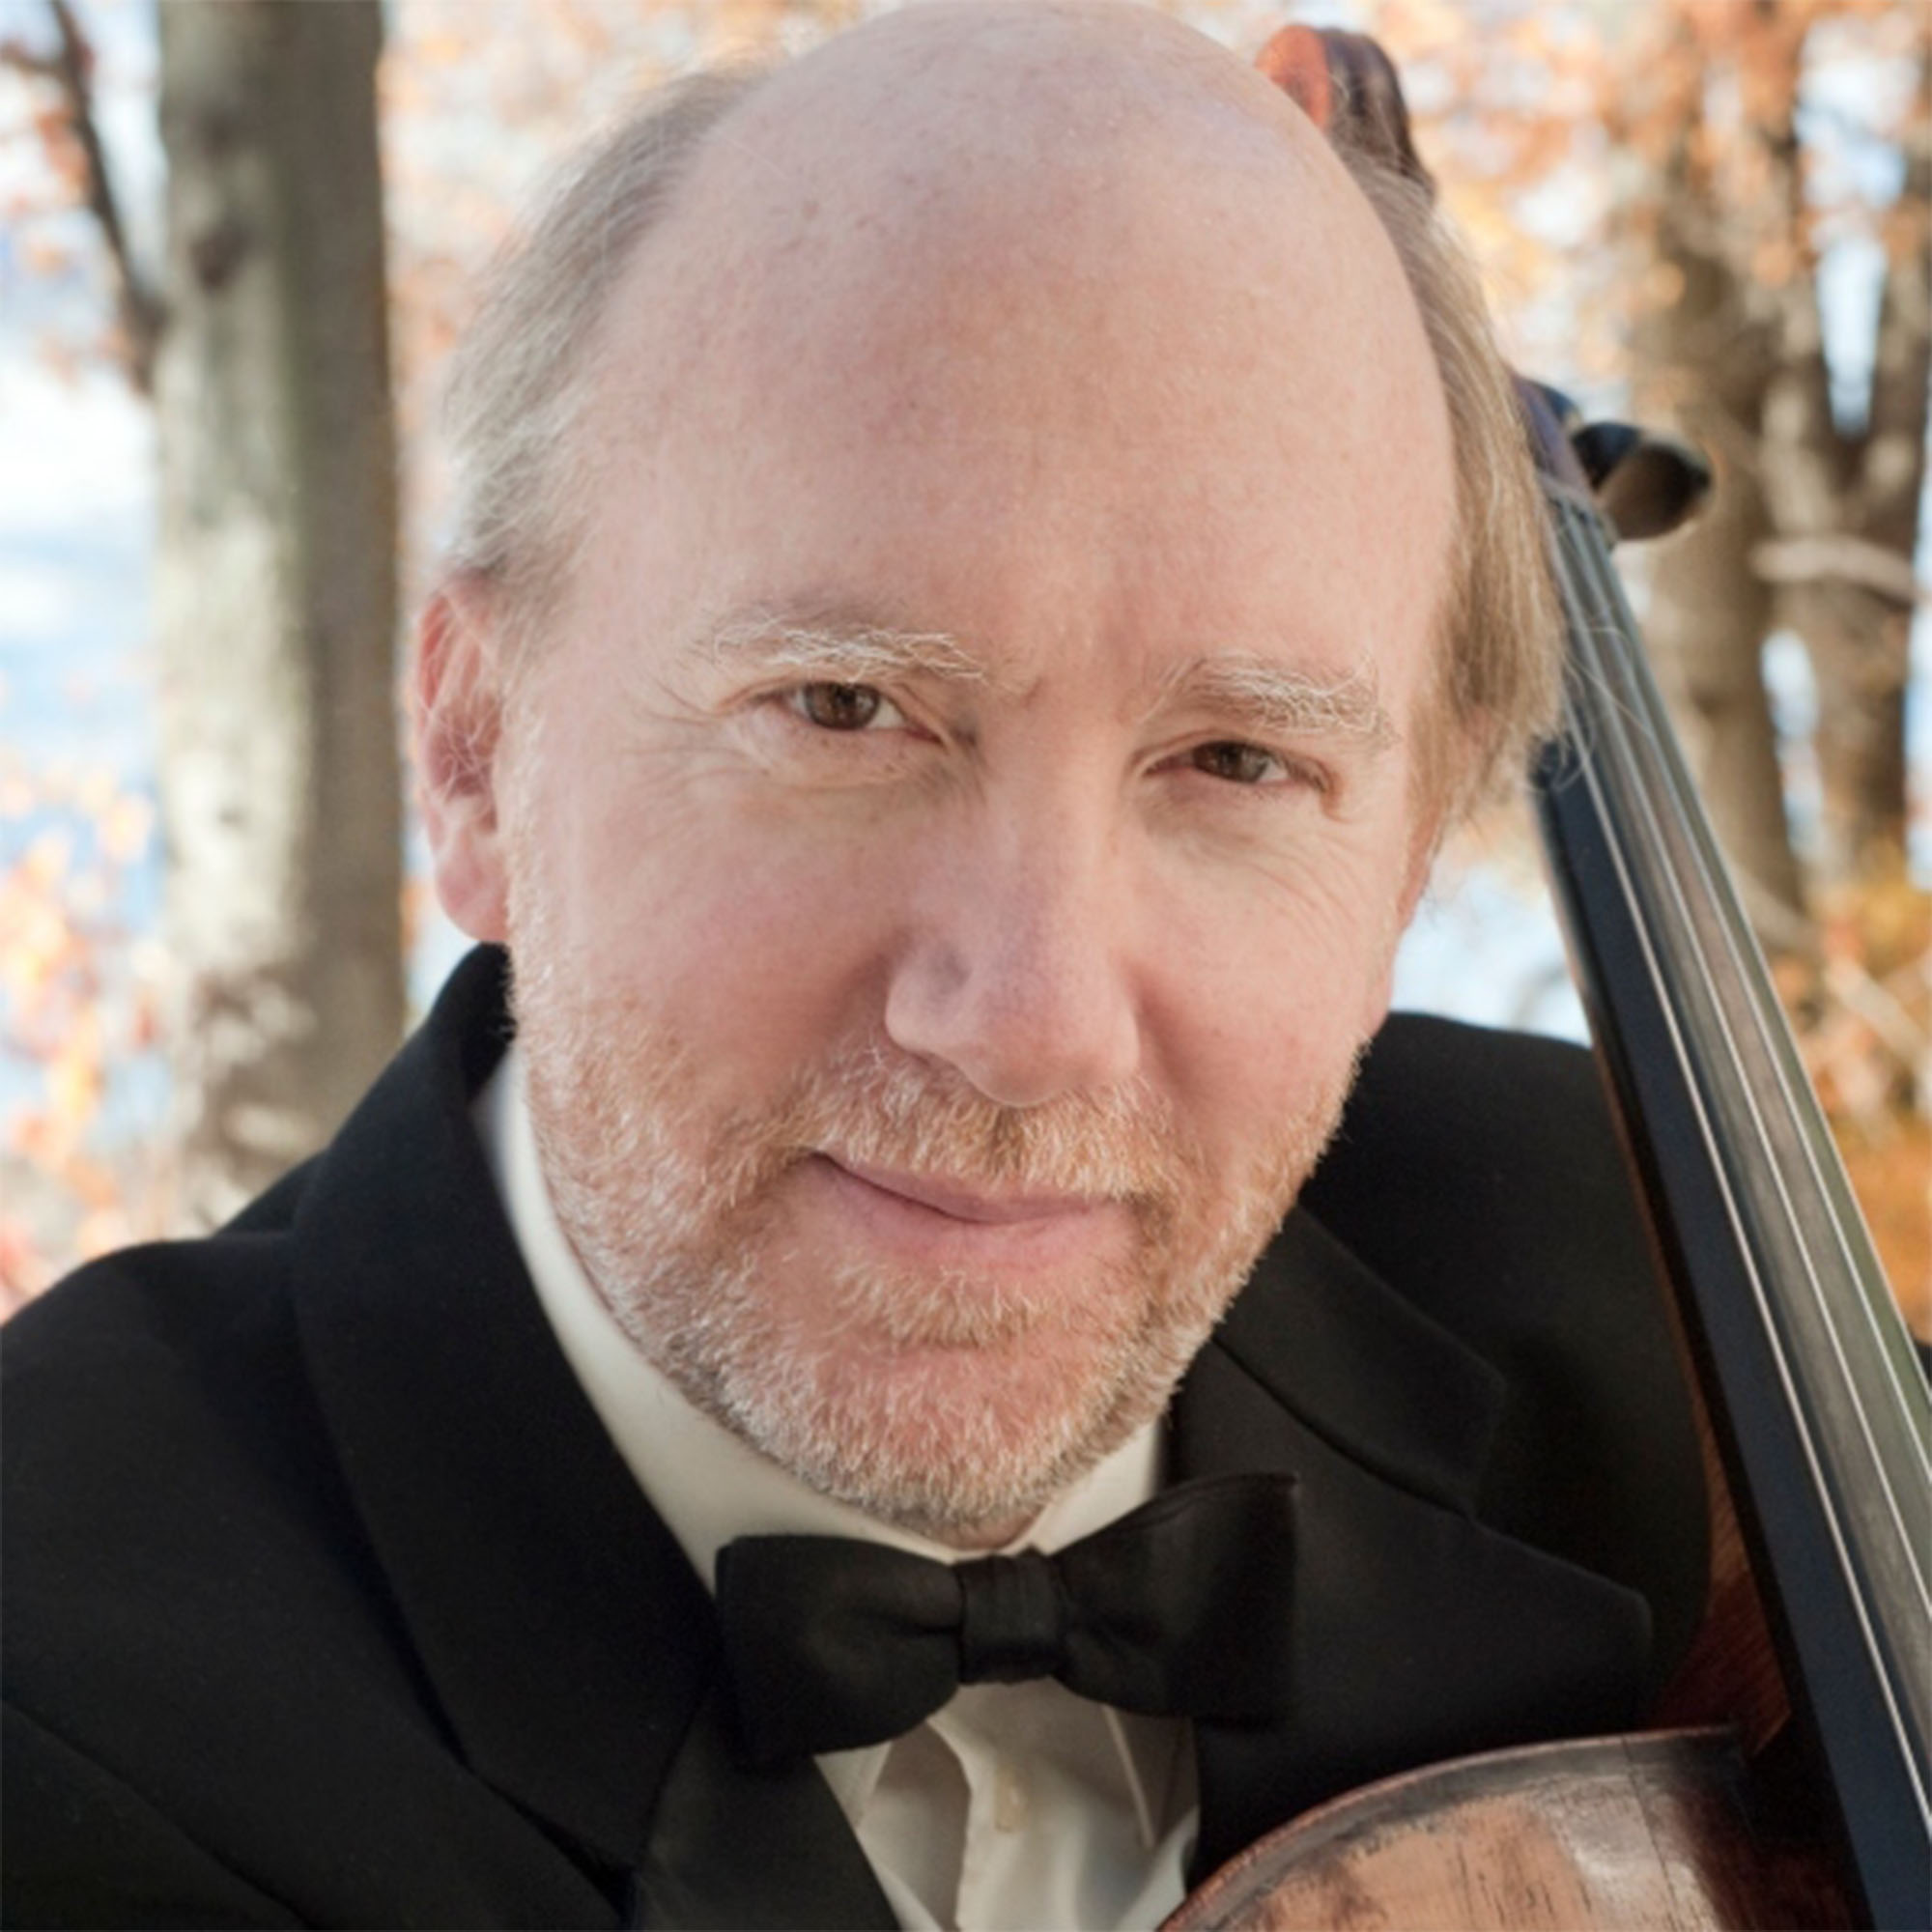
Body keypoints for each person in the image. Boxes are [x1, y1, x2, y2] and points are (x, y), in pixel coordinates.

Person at [2, 6, 1709, 1927]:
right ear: (478, 751)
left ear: (1403, 855)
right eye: (844, 705)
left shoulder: (1645, 1302)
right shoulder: (55, 1699)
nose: (1031, 1024)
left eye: (1237, 760)